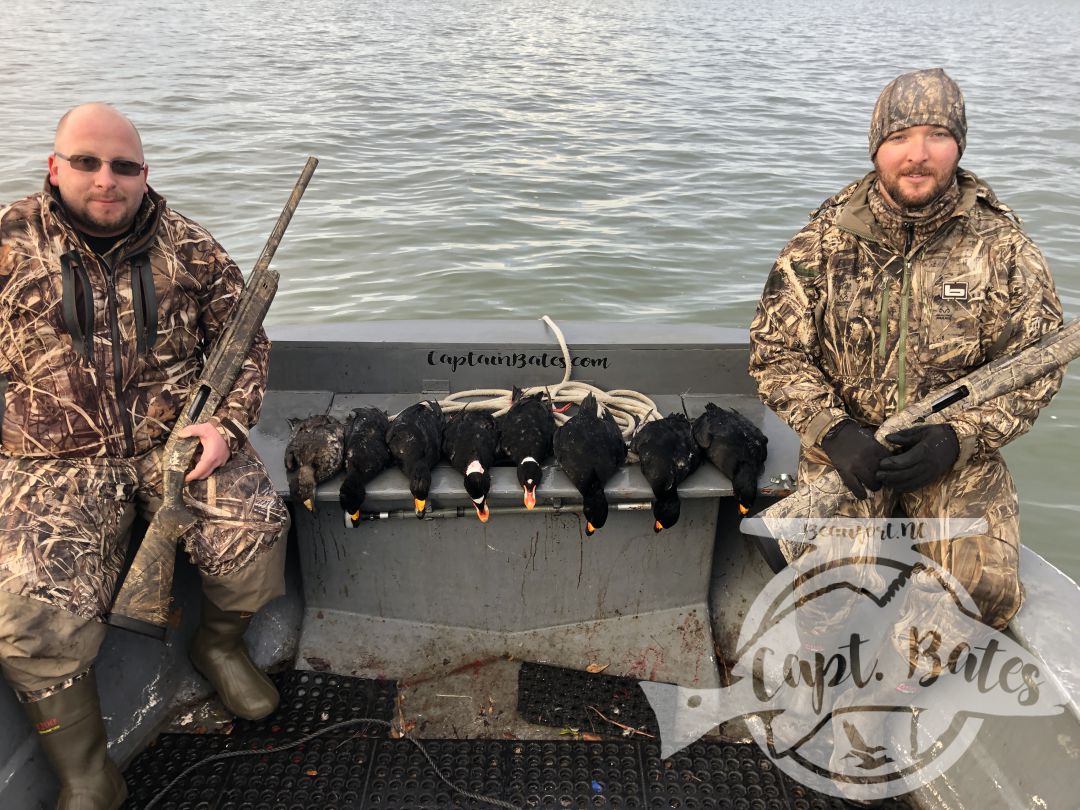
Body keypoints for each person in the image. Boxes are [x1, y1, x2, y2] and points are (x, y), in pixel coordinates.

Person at [0, 103, 290, 809]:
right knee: (28, 613)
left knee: (255, 531)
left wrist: (224, 423)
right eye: (88, 162)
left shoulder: (188, 246)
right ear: (54, 167)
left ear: (144, 173)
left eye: (124, 166)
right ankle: (87, 773)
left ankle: (216, 648)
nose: (108, 179)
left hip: (178, 442)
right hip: (47, 461)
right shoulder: (8, 243)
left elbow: (245, 339)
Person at [748, 68, 1063, 633]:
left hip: (953, 454)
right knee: (826, 592)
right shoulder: (823, 242)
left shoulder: (1005, 249)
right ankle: (837, 684)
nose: (917, 155)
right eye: (899, 138)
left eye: (936, 136)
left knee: (983, 589)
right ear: (876, 148)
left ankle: (907, 681)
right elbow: (775, 352)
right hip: (847, 452)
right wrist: (834, 430)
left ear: (959, 145)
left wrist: (958, 438)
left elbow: (1035, 371)